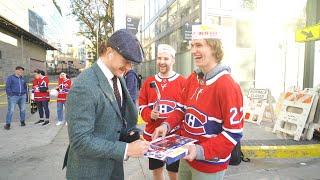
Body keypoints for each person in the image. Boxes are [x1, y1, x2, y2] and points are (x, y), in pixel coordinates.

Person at [152, 25, 244, 180]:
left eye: (199, 45)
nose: (193, 50)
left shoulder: (228, 85)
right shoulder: (193, 78)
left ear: (215, 48)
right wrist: (166, 125)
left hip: (209, 164)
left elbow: (233, 134)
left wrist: (199, 150)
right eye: (192, 45)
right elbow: (181, 109)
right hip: (186, 155)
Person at [65, 29, 150, 180]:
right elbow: (80, 141)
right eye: (126, 61)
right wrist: (126, 149)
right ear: (110, 52)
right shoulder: (84, 86)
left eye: (132, 63)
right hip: (90, 172)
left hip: (113, 169)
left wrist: (130, 134)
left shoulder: (118, 76)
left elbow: (115, 118)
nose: (129, 68)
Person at [139, 44, 186, 180]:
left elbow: (183, 110)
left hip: (174, 136)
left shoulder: (182, 82)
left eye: (166, 58)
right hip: (154, 136)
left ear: (173, 60)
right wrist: (149, 114)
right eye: (159, 58)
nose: (162, 62)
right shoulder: (149, 82)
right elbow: (142, 107)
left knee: (174, 172)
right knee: (156, 171)